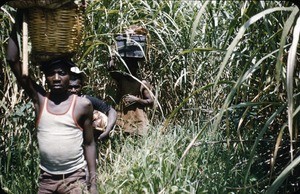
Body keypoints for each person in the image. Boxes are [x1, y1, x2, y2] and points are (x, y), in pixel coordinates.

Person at [6, 21, 98, 194]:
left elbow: (89, 143)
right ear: (45, 77)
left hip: (74, 179)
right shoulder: (40, 100)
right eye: (51, 73)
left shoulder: (81, 105)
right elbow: (12, 59)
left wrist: (92, 184)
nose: (56, 78)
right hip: (46, 180)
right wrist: (19, 21)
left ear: (70, 76)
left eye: (62, 73)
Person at [108, 56, 154, 136]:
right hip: (123, 119)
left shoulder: (142, 83)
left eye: (132, 67)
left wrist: (136, 100)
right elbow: (111, 70)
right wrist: (112, 58)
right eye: (127, 67)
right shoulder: (122, 79)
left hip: (138, 119)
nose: (129, 69)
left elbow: (150, 102)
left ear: (136, 68)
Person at [69, 67, 117, 141]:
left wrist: (107, 130)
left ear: (81, 86)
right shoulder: (59, 102)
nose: (73, 90)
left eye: (76, 87)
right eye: (70, 87)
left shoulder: (87, 100)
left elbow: (111, 110)